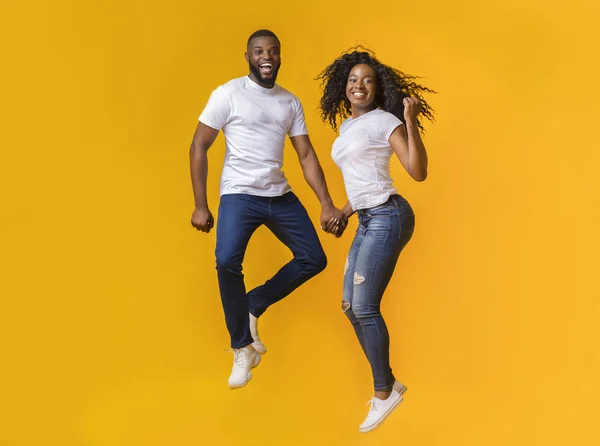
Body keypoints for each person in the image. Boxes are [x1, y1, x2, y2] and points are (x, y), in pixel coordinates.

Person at [189, 29, 346, 389]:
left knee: (314, 258)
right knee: (227, 260)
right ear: (247, 56)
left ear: (279, 57)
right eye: (259, 51)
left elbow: (305, 154)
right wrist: (201, 205)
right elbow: (199, 146)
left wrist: (326, 204)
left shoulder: (289, 102)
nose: (267, 57)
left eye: (273, 52)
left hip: (278, 195)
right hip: (239, 194)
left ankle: (253, 303)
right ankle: (242, 347)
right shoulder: (227, 94)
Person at [316, 48, 435, 432]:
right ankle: (391, 384)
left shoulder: (386, 121)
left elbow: (417, 172)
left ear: (377, 87)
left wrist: (410, 121)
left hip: (389, 215)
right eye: (353, 80)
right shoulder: (347, 128)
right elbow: (366, 180)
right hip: (367, 217)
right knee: (350, 306)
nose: (359, 86)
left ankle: (384, 392)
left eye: (367, 80)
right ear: (343, 87)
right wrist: (344, 212)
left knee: (365, 306)